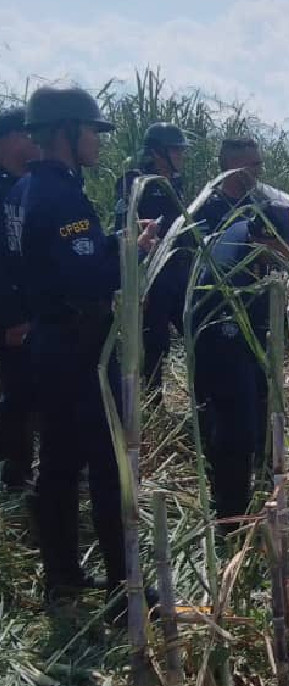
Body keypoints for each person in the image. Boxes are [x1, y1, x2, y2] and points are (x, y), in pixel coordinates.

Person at [4, 86, 158, 618]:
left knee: (59, 464)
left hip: (49, 343)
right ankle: (123, 590)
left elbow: (59, 259)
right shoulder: (63, 196)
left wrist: (112, 241)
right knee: (109, 465)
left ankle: (63, 578)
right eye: (92, 130)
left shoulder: (24, 190)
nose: (97, 140)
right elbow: (89, 275)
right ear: (67, 132)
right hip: (80, 345)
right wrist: (134, 250)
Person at [191, 201, 289, 528]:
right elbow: (227, 346)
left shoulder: (251, 237)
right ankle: (232, 520)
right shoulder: (232, 277)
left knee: (260, 409)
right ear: (267, 242)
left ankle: (266, 486)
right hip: (221, 346)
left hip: (241, 338)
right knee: (235, 432)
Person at [113, 122, 192, 392]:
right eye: (176, 150)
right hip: (152, 278)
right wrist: (138, 284)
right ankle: (152, 402)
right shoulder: (135, 183)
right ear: (158, 153)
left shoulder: (176, 183)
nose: (181, 156)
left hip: (179, 273)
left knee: (196, 332)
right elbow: (125, 231)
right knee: (154, 343)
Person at [0, 107, 40, 491]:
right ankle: (14, 474)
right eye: (30, 134)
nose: (36, 141)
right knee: (15, 396)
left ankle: (22, 469)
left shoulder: (27, 185)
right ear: (13, 137)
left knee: (25, 393)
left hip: (28, 313)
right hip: (9, 317)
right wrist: (8, 320)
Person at [191, 137, 264, 236]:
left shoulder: (261, 206)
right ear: (233, 165)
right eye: (255, 165)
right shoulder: (204, 208)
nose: (260, 171)